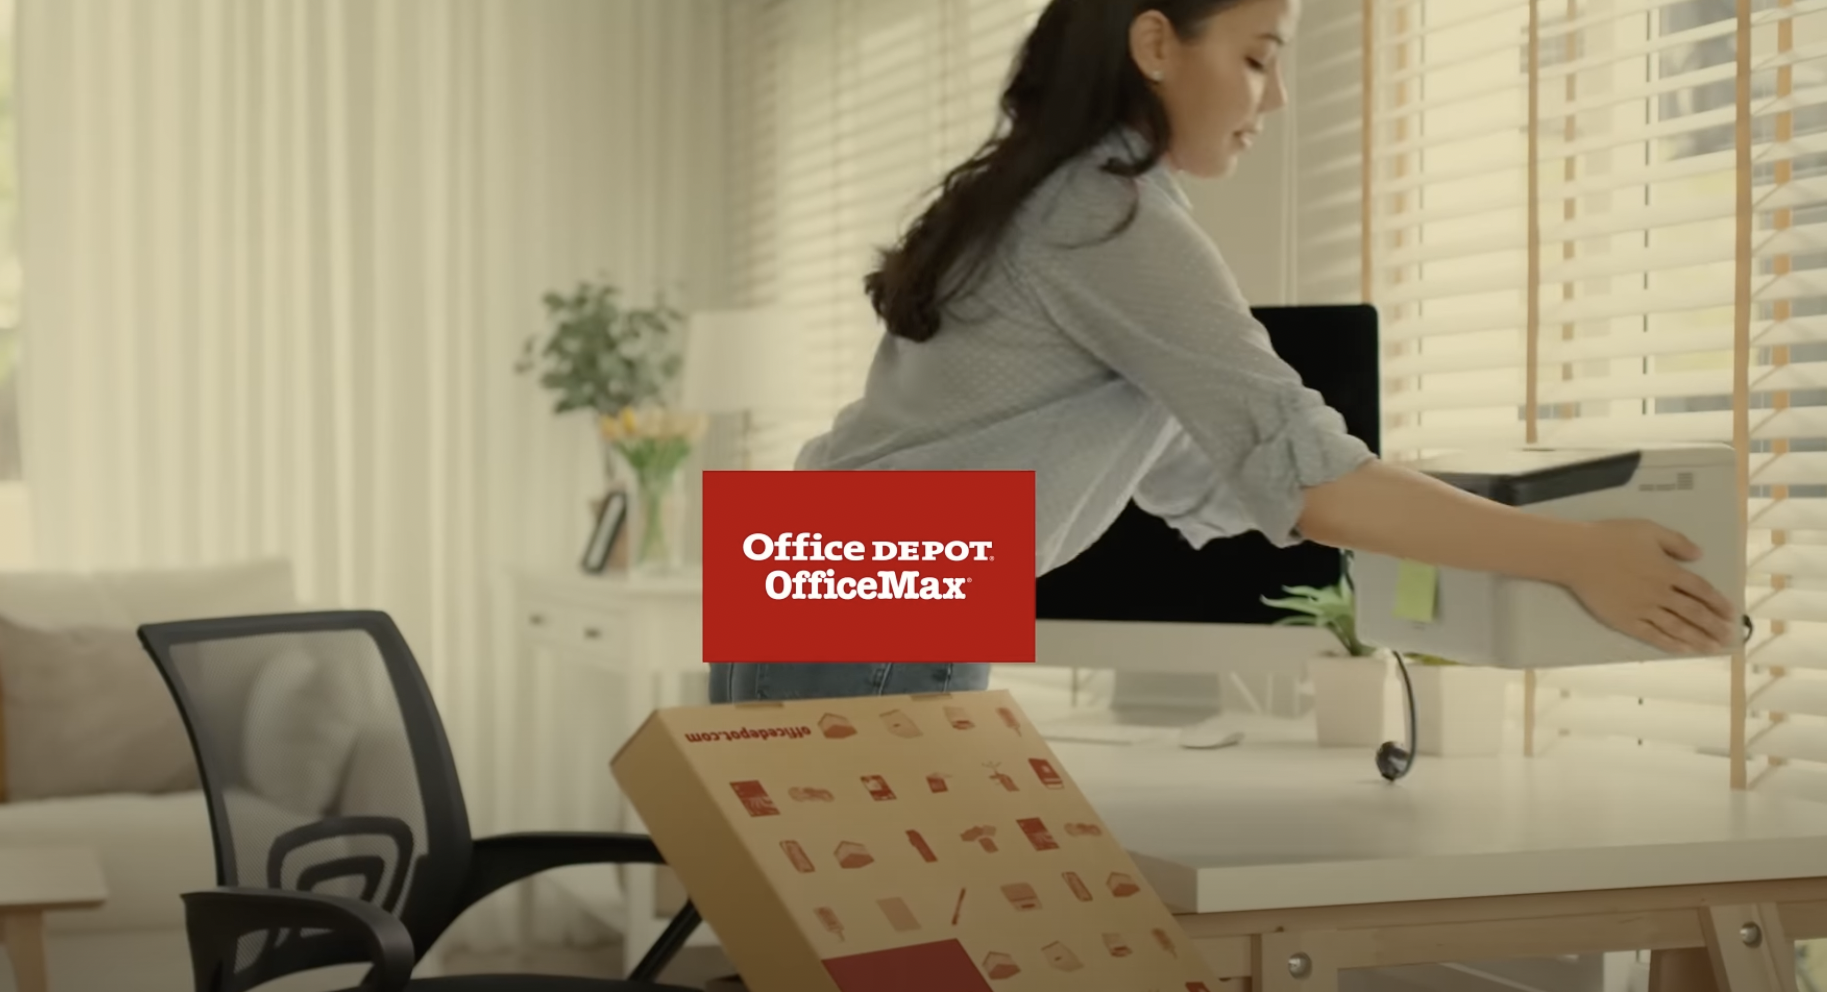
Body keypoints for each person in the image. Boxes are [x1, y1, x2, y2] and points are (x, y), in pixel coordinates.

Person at [708, 0, 1737, 705]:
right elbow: (1303, 473)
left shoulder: (1054, 192)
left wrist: (1396, 502)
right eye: (1257, 55)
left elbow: (1214, 470)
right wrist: (1578, 553)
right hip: (883, 593)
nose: (1276, 99)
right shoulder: (1106, 211)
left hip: (819, 573)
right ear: (1155, 44)